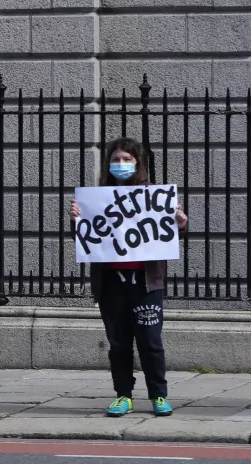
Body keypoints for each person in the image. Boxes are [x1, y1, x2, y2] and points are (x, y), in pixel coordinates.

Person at [71, 137, 188, 418]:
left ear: (138, 163)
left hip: (146, 283)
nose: (121, 165)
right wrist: (76, 220)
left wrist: (181, 224)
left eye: (127, 159)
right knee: (119, 343)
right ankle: (123, 395)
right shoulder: (97, 198)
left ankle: (158, 395)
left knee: (150, 341)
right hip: (111, 283)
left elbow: (170, 233)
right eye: (116, 160)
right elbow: (88, 238)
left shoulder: (153, 196)